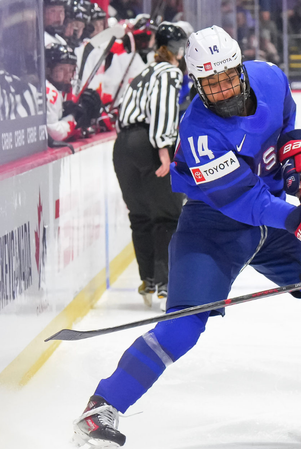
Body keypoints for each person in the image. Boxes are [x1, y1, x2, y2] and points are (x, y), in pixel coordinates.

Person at [72, 25, 301, 449]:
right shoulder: (199, 131)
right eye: (210, 83)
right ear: (197, 83)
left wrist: (297, 153)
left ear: (240, 68)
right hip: (215, 227)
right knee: (182, 327)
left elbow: (286, 123)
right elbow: (247, 202)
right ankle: (103, 406)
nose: (221, 90)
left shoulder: (270, 77)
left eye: (226, 77)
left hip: (275, 215)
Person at [110, 22, 188, 309]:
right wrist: (164, 150)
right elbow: (163, 109)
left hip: (122, 147)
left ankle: (149, 279)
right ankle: (167, 282)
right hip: (149, 145)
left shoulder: (142, 72)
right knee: (167, 215)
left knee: (140, 216)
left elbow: (123, 114)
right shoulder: (169, 72)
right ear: (176, 49)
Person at [45, 43, 101, 142]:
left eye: (71, 70)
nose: (68, 75)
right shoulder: (49, 91)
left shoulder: (64, 90)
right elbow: (54, 134)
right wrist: (74, 118)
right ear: (48, 70)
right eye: (61, 69)